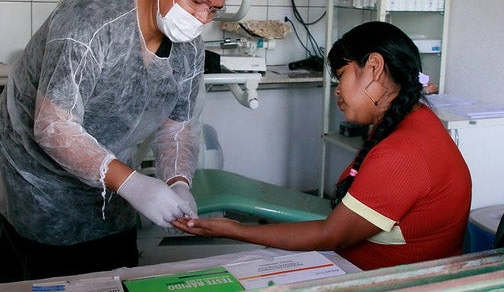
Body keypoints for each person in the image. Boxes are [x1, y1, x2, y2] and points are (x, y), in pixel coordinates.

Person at [0, 0, 238, 279]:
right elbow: (53, 126)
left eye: (213, 10)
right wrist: (134, 184)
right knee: (55, 284)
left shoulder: (188, 47)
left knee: (116, 278)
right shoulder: (90, 20)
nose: (201, 17)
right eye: (197, 0)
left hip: (114, 175)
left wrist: (177, 181)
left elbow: (178, 124)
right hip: (43, 183)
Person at [173, 21, 472, 271]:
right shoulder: (417, 121)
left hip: (392, 288)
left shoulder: (403, 152)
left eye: (342, 77)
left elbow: (333, 234)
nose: (338, 91)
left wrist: (234, 229)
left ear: (375, 67)